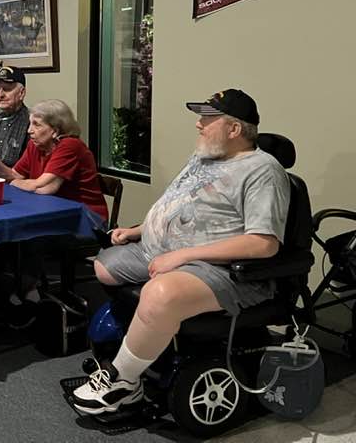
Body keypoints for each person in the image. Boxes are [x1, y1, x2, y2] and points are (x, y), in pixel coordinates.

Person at [72, 89, 290, 415]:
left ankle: (125, 382)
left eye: (208, 118)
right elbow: (178, 208)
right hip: (165, 253)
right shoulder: (204, 159)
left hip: (221, 270)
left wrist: (183, 256)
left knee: (159, 294)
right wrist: (135, 231)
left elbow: (264, 243)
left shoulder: (262, 171)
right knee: (105, 266)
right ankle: (148, 340)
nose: (199, 125)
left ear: (234, 129)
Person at [0, 99, 107, 220]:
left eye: (36, 125)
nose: (29, 131)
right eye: (30, 124)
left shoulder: (70, 145)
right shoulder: (35, 145)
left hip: (86, 219)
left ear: (55, 131)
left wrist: (13, 182)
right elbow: (14, 175)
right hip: (52, 213)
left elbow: (44, 188)